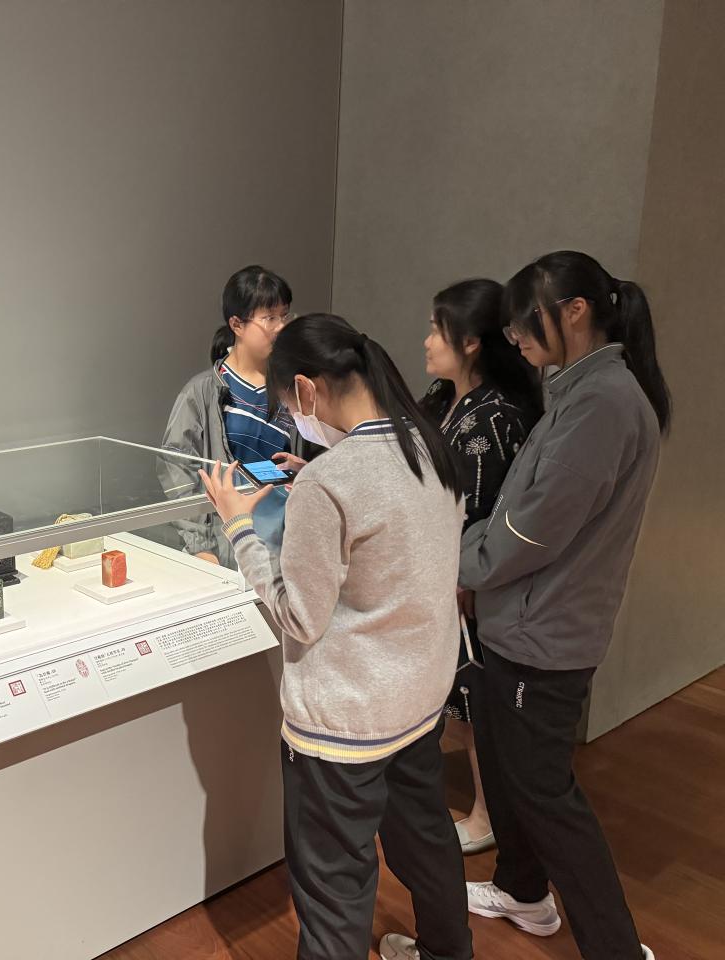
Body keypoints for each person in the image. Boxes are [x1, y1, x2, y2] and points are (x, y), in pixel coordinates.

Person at [200, 314, 472, 960]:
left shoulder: (331, 481)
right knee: (426, 841)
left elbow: (299, 616)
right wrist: (315, 476)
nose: (295, 418)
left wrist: (239, 528)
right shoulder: (428, 445)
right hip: (419, 699)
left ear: (306, 388)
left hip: (343, 722)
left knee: (333, 887)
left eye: (289, 404)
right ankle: (447, 951)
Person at [458, 251, 671, 960]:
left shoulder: (604, 403)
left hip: (542, 632)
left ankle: (617, 948)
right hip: (521, 622)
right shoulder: (581, 391)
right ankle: (523, 892)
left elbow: (532, 528)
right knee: (512, 774)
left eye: (524, 321)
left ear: (575, 312)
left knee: (545, 793)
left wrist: (458, 559)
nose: (514, 337)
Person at [418, 279, 543, 855]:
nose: (426, 341)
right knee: (459, 699)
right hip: (441, 570)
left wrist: (465, 577)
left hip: (470, 580)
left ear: (470, 342)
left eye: (435, 330)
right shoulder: (443, 398)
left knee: (476, 700)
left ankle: (489, 814)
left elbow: (485, 512)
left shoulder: (495, 418)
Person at [160, 266, 303, 566]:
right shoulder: (203, 391)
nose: (281, 327)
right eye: (270, 318)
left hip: (284, 547)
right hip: (226, 547)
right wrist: (199, 544)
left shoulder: (295, 388)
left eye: (284, 315)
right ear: (237, 324)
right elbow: (176, 467)